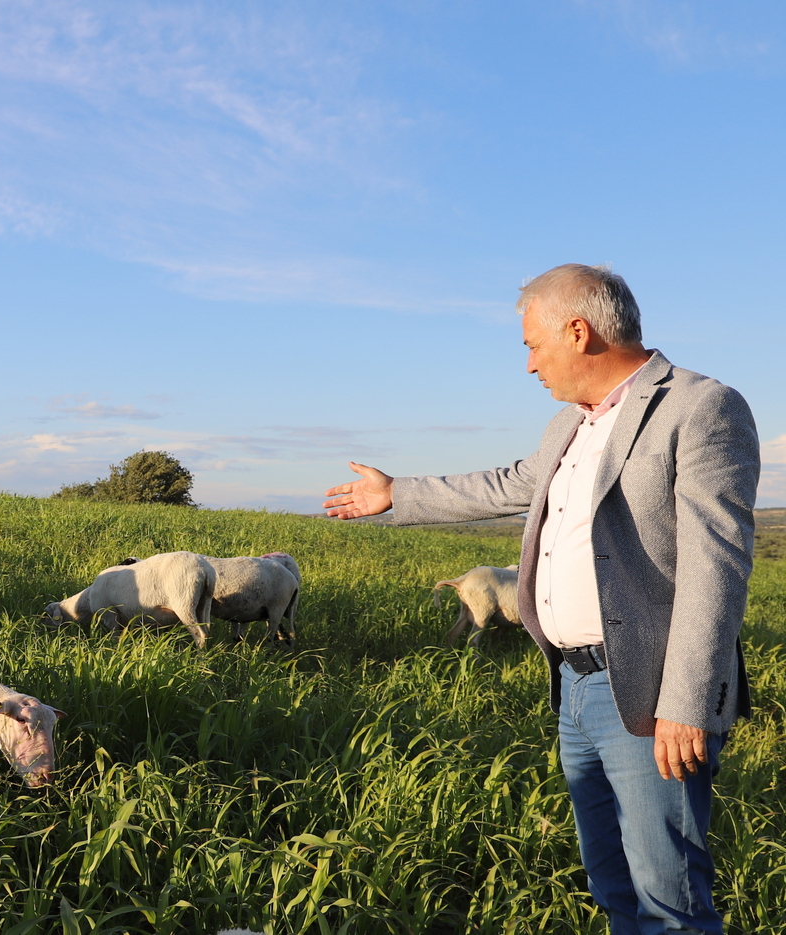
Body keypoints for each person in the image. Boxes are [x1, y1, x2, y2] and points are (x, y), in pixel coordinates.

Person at [323, 264, 758, 934]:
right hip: (573, 688)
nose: (529, 364)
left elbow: (715, 567)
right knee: (612, 884)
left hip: (649, 691)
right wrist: (397, 494)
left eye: (533, 345)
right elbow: (508, 484)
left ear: (578, 332)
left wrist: (686, 702)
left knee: (670, 901)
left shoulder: (700, 406)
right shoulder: (568, 424)